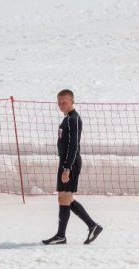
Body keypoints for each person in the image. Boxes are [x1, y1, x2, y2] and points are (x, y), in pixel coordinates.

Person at [42, 89, 103, 245]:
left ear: (72, 101)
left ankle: (64, 235)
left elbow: (74, 145)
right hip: (65, 161)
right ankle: (91, 226)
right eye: (59, 102)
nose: (61, 105)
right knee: (65, 198)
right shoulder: (67, 118)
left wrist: (67, 168)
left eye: (65, 102)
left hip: (71, 163)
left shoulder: (73, 119)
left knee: (64, 198)